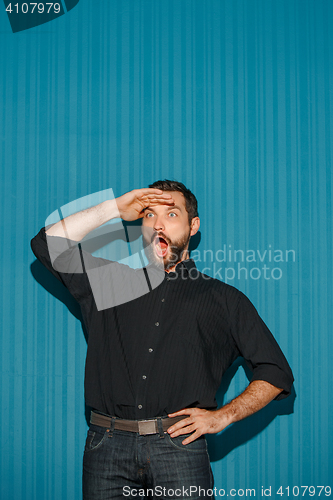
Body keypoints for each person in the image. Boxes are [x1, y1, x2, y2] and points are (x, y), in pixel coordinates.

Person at [31, 180, 294, 500]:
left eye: (171, 213)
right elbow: (48, 243)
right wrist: (114, 208)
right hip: (106, 450)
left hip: (179, 451)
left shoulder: (225, 300)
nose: (158, 224)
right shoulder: (109, 283)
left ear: (193, 226)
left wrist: (223, 416)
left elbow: (275, 372)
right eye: (148, 214)